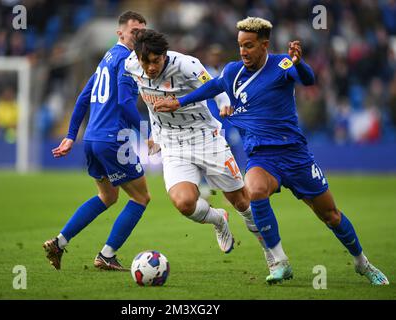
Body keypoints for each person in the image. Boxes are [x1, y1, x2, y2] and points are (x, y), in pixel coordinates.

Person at [154, 17, 389, 285]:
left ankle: (362, 263)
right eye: (241, 45)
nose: (243, 51)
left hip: (295, 155)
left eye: (249, 45)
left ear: (264, 45)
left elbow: (308, 80)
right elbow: (213, 87)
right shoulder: (233, 71)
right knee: (253, 190)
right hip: (262, 157)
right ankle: (280, 261)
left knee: (330, 215)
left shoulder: (282, 65)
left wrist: (299, 63)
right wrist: (180, 101)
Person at [124, 29, 278, 270]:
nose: (151, 67)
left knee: (241, 202)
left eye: (156, 61)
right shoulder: (131, 64)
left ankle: (270, 252)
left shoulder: (187, 65)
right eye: (146, 62)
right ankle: (218, 220)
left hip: (206, 138)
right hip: (173, 143)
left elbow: (217, 88)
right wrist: (154, 132)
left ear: (164, 55)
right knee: (184, 203)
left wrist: (226, 105)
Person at [43, 11, 149, 271]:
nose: (139, 36)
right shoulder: (127, 60)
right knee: (141, 197)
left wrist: (71, 136)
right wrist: (147, 133)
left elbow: (83, 97)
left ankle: (59, 242)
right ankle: (107, 255)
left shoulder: (107, 58)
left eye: (142, 32)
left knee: (107, 195)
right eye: (134, 31)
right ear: (120, 33)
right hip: (113, 139)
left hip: (92, 138)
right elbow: (125, 104)